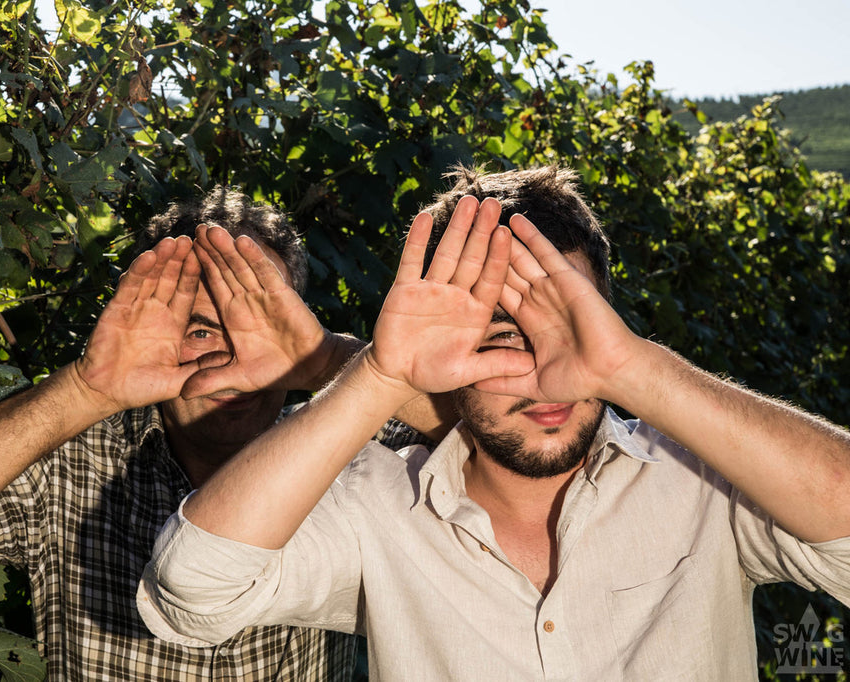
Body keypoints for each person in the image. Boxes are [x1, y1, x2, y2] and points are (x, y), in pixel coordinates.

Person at [137, 167, 850, 680]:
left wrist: (637, 370)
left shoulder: (703, 484)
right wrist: (382, 375)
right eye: (503, 336)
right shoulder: (376, 505)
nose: (549, 372)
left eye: (571, 325)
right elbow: (194, 591)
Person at [0, 187, 432, 680]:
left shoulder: (352, 455)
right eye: (200, 332)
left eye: (260, 329)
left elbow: (502, 449)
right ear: (156, 335)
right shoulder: (77, 465)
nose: (232, 360)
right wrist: (85, 391)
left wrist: (327, 359)